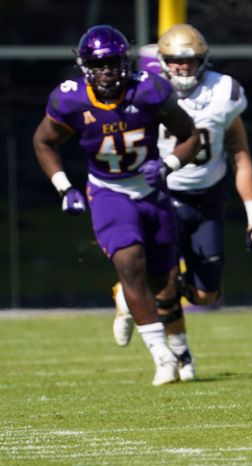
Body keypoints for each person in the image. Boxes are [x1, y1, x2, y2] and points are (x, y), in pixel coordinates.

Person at [32, 25, 200, 386]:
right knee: (129, 261)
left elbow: (191, 136)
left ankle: (165, 335)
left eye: (112, 62)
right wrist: (64, 187)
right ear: (85, 65)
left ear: (123, 62)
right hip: (109, 191)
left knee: (165, 280)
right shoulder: (70, 99)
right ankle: (161, 357)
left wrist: (169, 164)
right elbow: (43, 142)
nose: (107, 70)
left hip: (152, 190)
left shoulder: (150, 89)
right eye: (99, 63)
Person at [112, 24, 252, 350]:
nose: (183, 66)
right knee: (162, 279)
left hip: (206, 198)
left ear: (203, 60)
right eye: (176, 60)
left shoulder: (224, 92)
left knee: (206, 294)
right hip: (160, 194)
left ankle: (138, 290)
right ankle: (169, 342)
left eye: (191, 60)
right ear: (163, 61)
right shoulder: (147, 91)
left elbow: (240, 155)